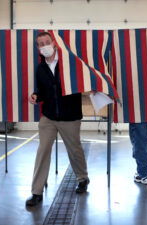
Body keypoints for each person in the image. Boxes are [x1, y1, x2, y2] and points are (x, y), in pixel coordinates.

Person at [26, 31, 89, 207]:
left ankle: (82, 178)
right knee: (43, 150)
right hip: (49, 117)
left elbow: (80, 83)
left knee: (74, 149)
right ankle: (36, 192)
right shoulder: (40, 68)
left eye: (47, 42)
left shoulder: (69, 64)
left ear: (54, 43)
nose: (44, 45)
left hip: (70, 116)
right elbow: (42, 92)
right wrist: (35, 96)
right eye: (40, 43)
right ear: (38, 47)